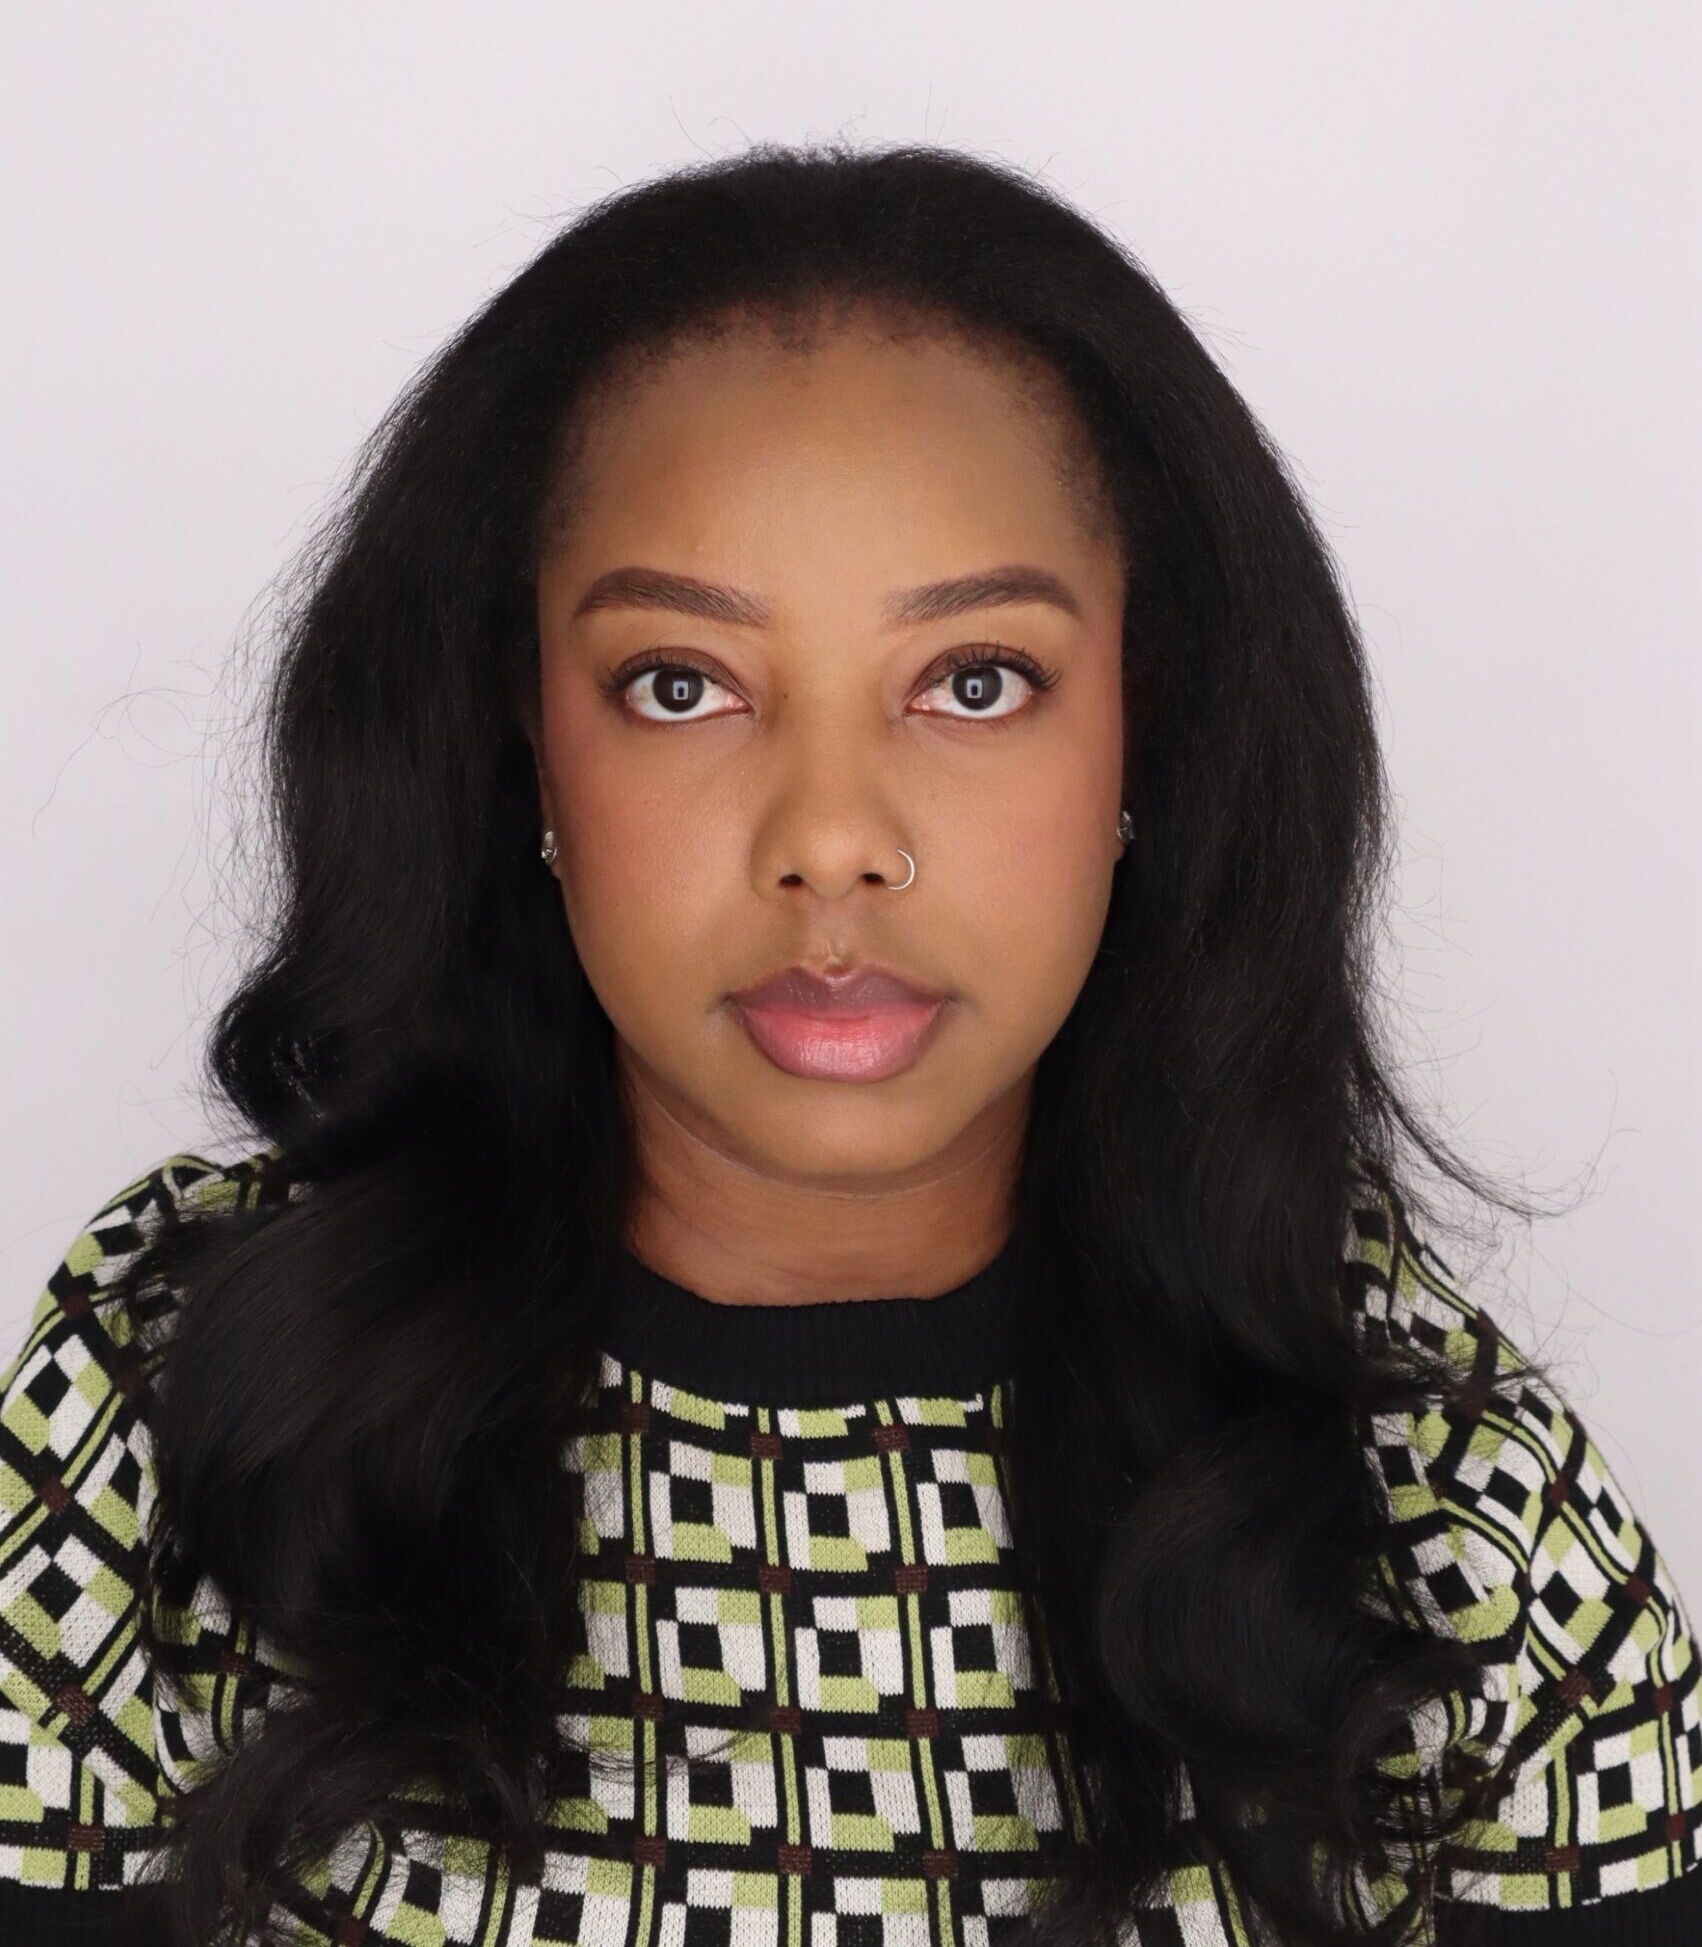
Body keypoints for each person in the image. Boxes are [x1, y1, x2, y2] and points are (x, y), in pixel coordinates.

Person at [0, 143, 1694, 1947]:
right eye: (680, 684)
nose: (830, 838)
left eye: (973, 680)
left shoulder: (1437, 1495)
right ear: (521, 740)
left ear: (1148, 727)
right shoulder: (167, 1405)